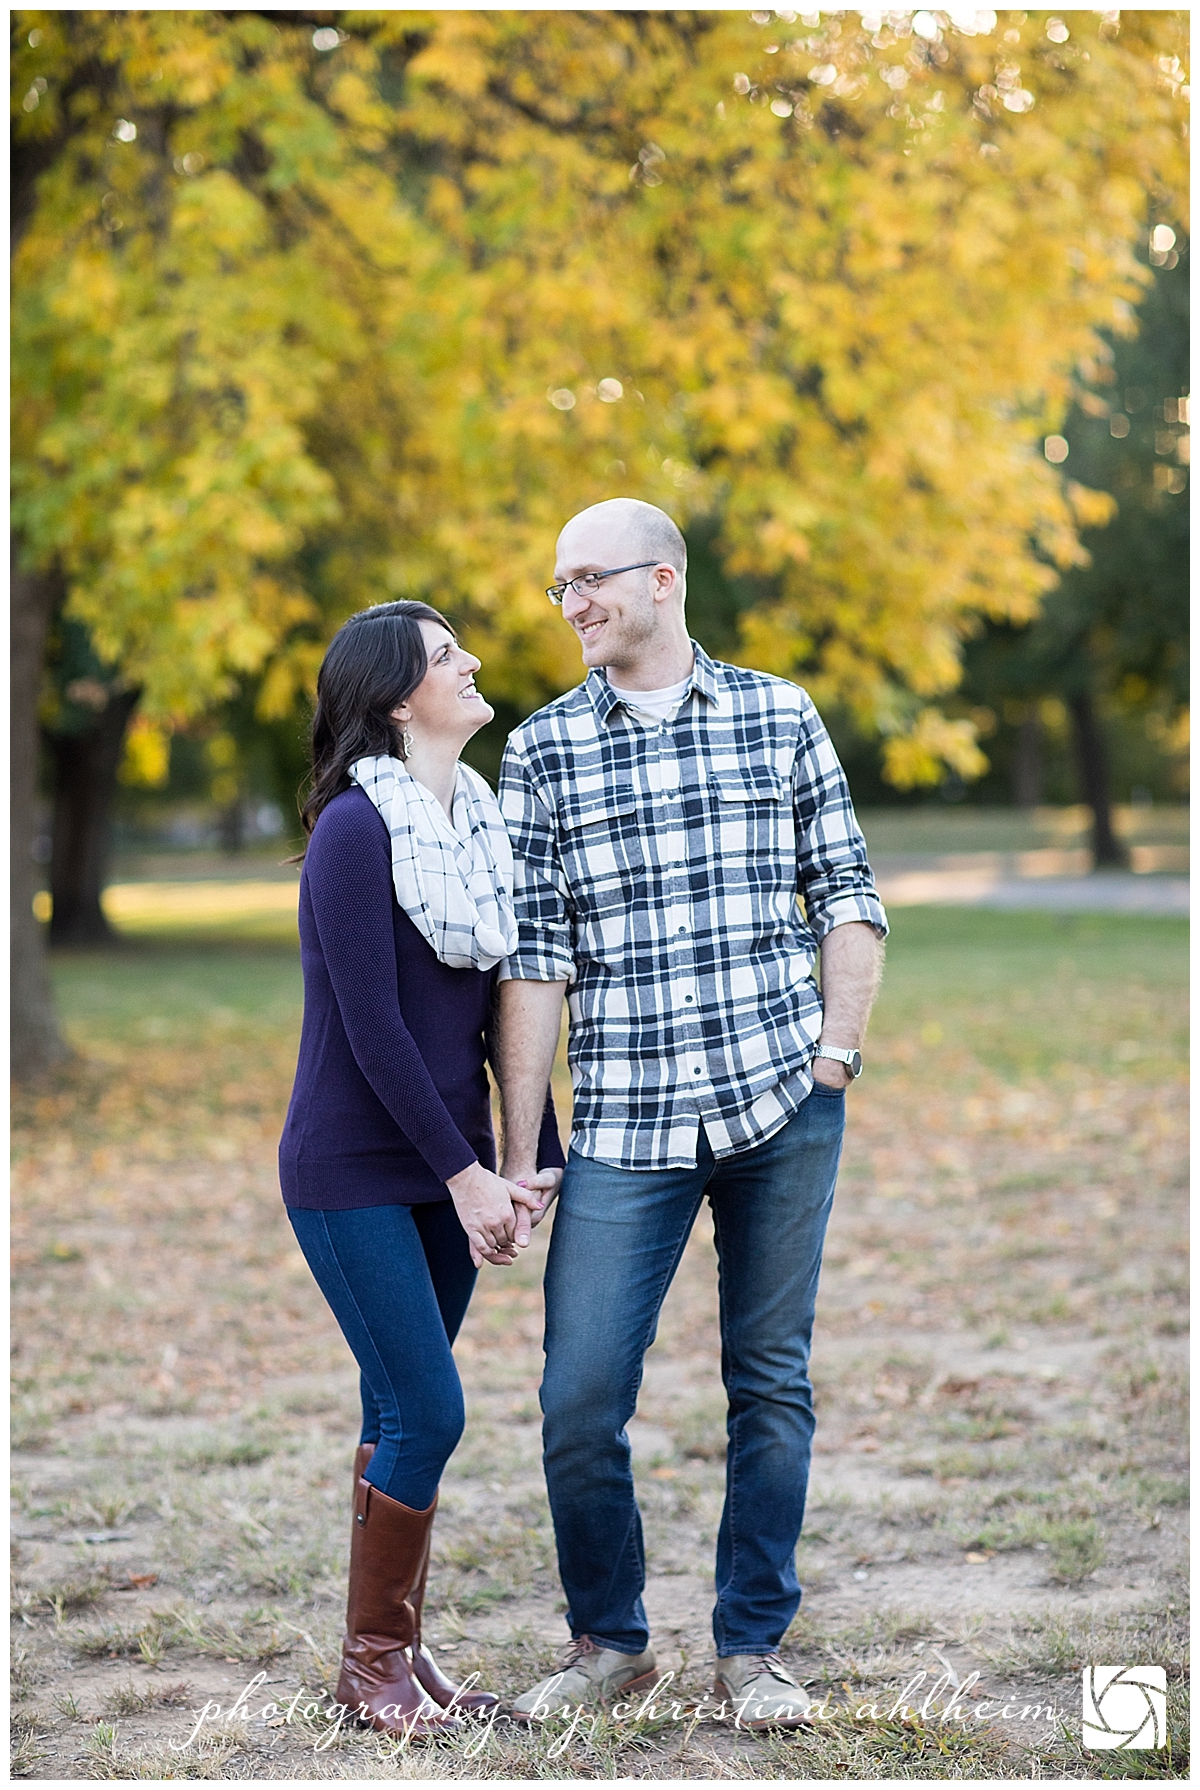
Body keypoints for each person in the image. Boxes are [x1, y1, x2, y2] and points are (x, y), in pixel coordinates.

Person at [494, 499, 887, 1730]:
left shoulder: (778, 711)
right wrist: (523, 1149)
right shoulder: (544, 749)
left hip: (783, 1103)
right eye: (559, 587)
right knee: (579, 1392)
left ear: (662, 579)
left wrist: (833, 1056)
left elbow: (851, 892)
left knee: (769, 1382)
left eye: (589, 579)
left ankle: (754, 1648)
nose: (571, 604)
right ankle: (610, 1641)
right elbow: (533, 962)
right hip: (625, 1123)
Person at [279, 601, 564, 1738]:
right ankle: (371, 1662)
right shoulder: (356, 831)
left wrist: (527, 1156)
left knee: (396, 1404)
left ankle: (395, 1651)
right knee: (430, 1409)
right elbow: (375, 1025)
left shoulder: (477, 821)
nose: (475, 660)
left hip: (445, 1166)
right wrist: (466, 1174)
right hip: (352, 1168)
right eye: (449, 653)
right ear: (400, 697)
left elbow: (497, 1009)